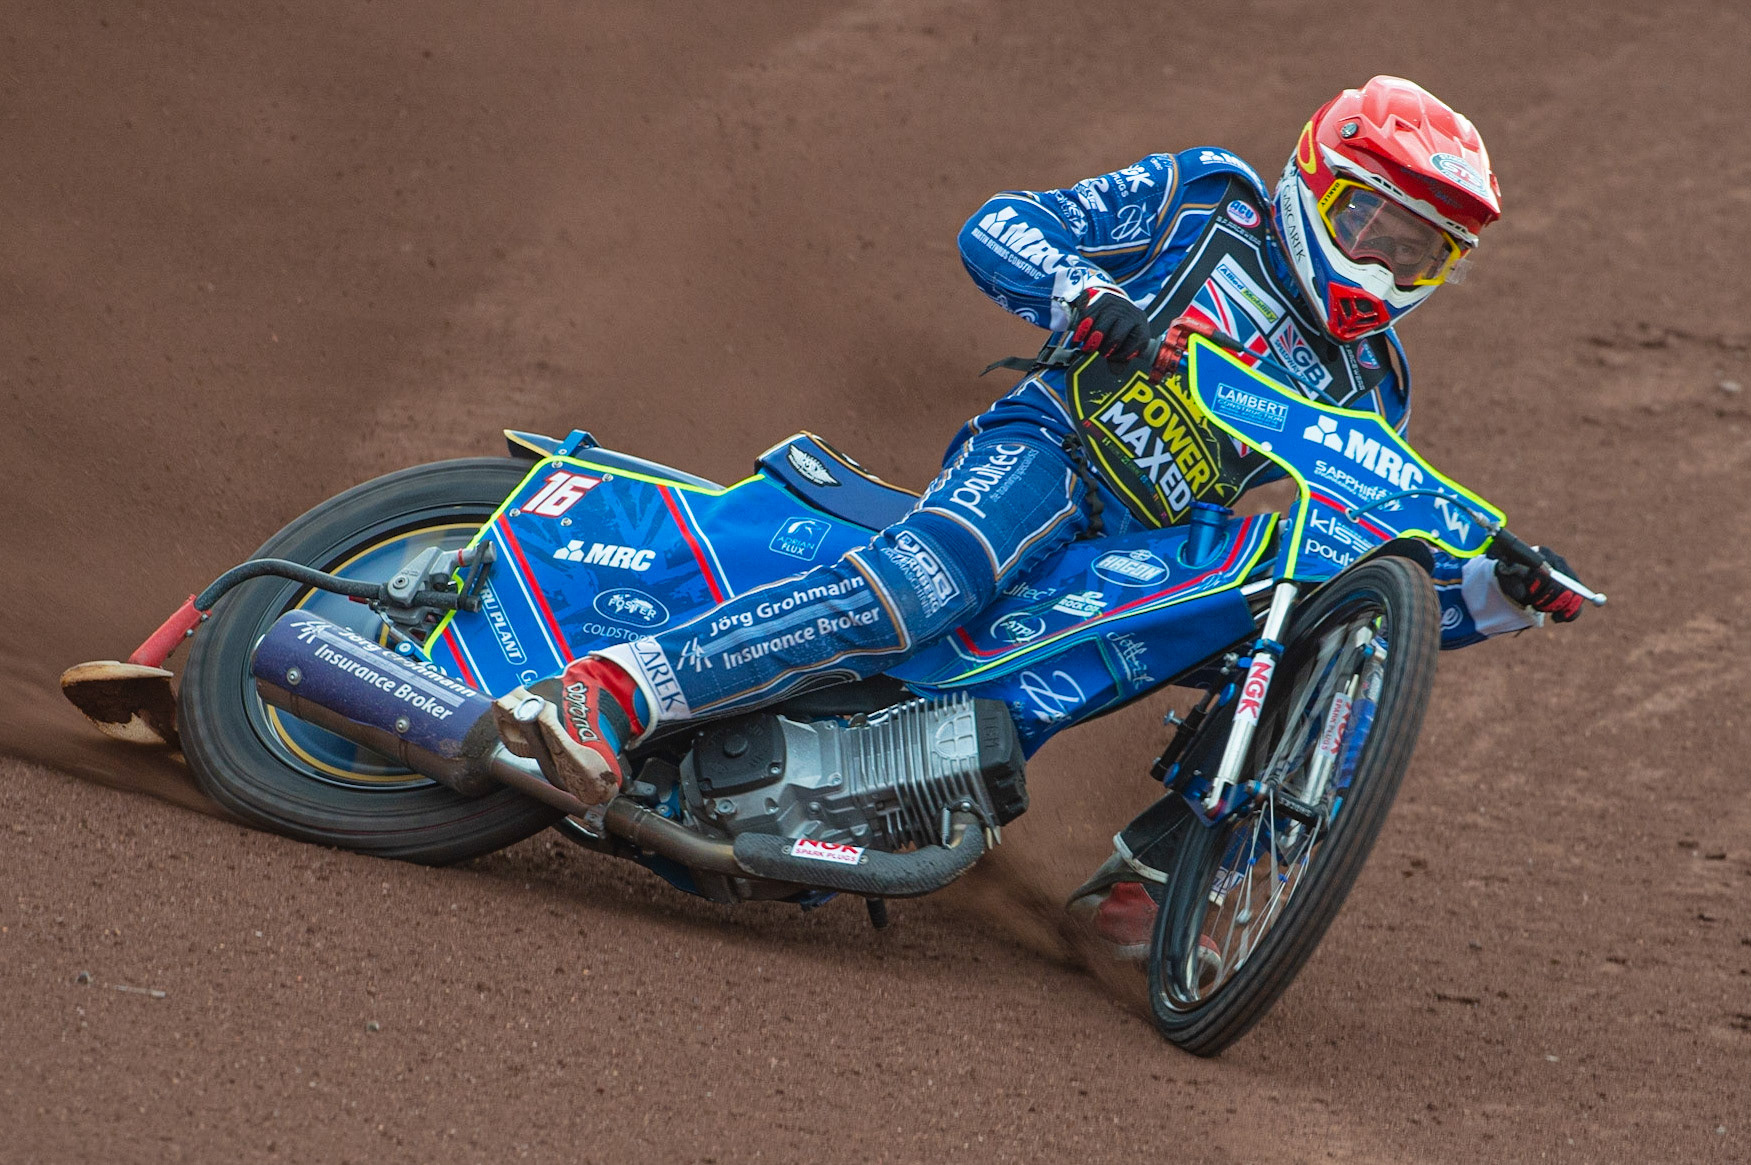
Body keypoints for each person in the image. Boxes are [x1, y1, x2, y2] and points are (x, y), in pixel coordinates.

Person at [491, 76, 1585, 951]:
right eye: (1376, 224)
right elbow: (1000, 225)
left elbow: (1374, 582)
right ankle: (606, 691)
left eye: (1421, 251)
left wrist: (1493, 593)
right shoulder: (1208, 201)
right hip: (1053, 447)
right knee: (931, 579)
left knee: (1290, 626)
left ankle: (1156, 881)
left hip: (1143, 547)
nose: (1388, 264)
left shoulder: (1376, 386)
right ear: (1314, 179)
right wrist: (1085, 294)